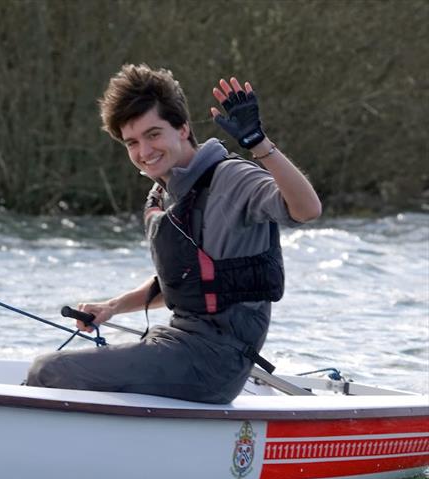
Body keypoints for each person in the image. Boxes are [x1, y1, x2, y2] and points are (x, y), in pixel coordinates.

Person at [26, 64, 322, 403]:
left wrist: (259, 144)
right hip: (177, 346)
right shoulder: (163, 194)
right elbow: (190, 281)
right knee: (51, 370)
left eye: (153, 134)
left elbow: (307, 210)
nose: (144, 152)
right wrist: (112, 307)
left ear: (182, 129)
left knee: (46, 371)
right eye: (132, 143)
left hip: (214, 363)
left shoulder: (232, 178)